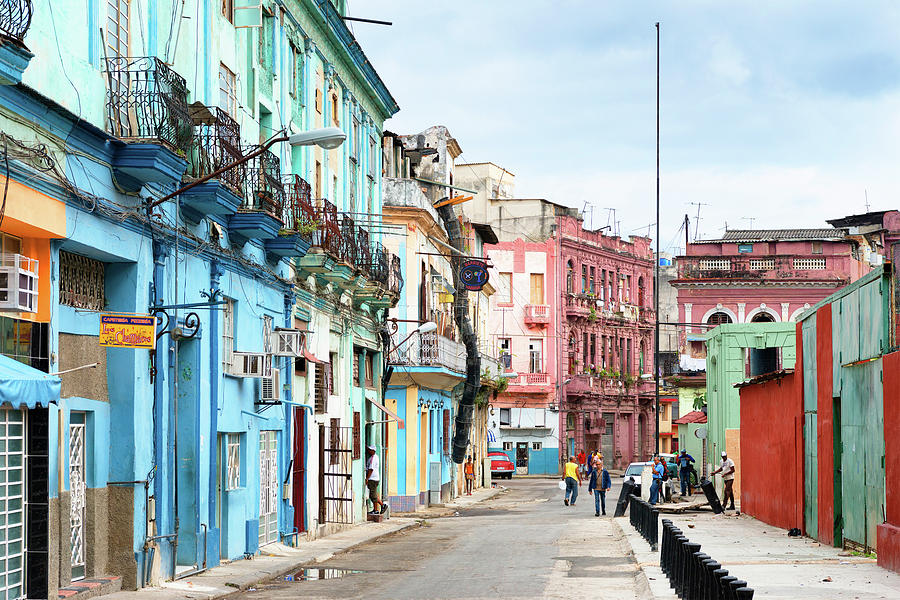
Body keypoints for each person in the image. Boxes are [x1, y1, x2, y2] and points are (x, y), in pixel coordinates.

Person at [365, 445, 386, 514]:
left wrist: (367, 478)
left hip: (372, 479)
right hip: (375, 478)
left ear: (373, 451)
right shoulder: (375, 457)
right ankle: (376, 509)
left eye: (370, 450)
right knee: (374, 494)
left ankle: (382, 506)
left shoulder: (373, 458)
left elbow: (371, 469)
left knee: (373, 495)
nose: (369, 451)